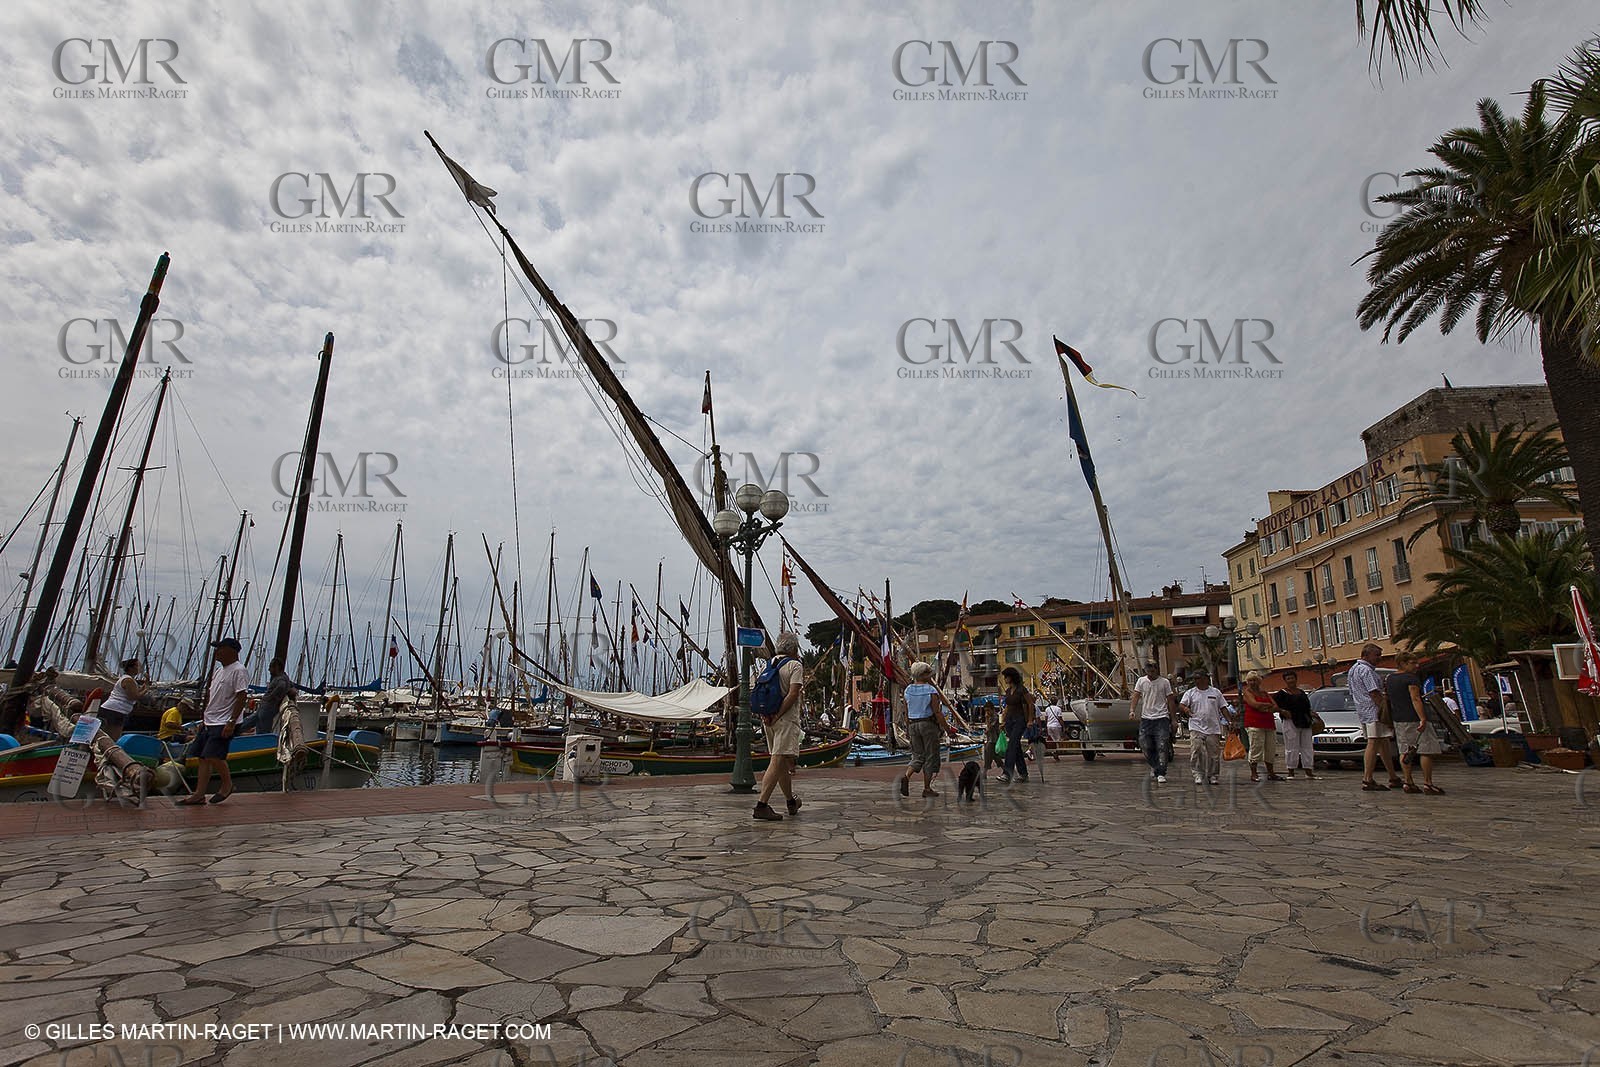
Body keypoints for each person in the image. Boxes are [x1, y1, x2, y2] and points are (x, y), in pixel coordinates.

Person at [178, 638, 249, 806]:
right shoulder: (219, 671)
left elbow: (241, 696)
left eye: (220, 648)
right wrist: (204, 718)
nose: (216, 652)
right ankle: (199, 794)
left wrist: (232, 721)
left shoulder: (239, 670)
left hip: (224, 721)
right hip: (210, 720)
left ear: (231, 650)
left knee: (213, 755)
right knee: (203, 757)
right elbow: (213, 696)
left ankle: (227, 785)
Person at [754, 632, 805, 821]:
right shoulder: (795, 665)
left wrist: (766, 715)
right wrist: (778, 714)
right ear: (794, 648)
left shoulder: (769, 664)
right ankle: (761, 805)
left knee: (781, 762)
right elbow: (793, 694)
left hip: (768, 720)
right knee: (776, 761)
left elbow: (758, 691)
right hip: (785, 720)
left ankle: (791, 801)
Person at [1386, 653, 1445, 795]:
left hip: (1399, 718)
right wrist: (1423, 718)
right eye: (1413, 663)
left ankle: (1408, 781)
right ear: (1403, 663)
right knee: (1426, 749)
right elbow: (1415, 698)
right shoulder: (1411, 678)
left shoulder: (1390, 679)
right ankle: (1428, 783)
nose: (1416, 666)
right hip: (1413, 717)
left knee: (1404, 750)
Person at [1350, 643, 1399, 791]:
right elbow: (1374, 692)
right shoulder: (1366, 671)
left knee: (1383, 742)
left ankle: (1393, 776)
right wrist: (1385, 711)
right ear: (1366, 655)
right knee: (1374, 742)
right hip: (1374, 711)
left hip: (1363, 711)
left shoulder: (1353, 669)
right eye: (1377, 655)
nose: (1379, 658)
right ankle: (1367, 778)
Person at [898, 661, 950, 798]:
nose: (930, 675)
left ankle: (906, 776)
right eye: (928, 673)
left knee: (917, 755)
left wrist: (908, 729)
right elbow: (937, 712)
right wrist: (948, 729)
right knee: (930, 757)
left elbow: (906, 712)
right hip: (928, 724)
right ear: (923, 675)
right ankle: (927, 788)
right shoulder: (931, 690)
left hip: (913, 724)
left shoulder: (908, 690)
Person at [1180, 671, 1233, 786]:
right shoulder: (1190, 693)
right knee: (1197, 749)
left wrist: (1229, 721)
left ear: (1206, 678)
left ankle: (1213, 775)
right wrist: (1186, 709)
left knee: (1213, 753)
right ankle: (1198, 774)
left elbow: (1223, 707)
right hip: (1196, 726)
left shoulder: (1216, 692)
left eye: (1198, 678)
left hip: (1213, 727)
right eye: (1195, 679)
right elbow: (1182, 704)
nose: (1196, 681)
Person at [1130, 663, 1178, 783]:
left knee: (1162, 745)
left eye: (1152, 671)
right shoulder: (1141, 681)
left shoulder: (1164, 682)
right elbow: (1136, 696)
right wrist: (1132, 710)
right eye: (1148, 671)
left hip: (1161, 717)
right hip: (1146, 718)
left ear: (1156, 670)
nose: (1150, 673)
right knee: (1145, 744)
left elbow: (1170, 700)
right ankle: (1155, 765)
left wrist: (1173, 719)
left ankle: (1161, 772)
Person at [1273, 671, 1318, 780]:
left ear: (1296, 679)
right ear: (1285, 680)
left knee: (1307, 746)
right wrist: (1282, 711)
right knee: (1291, 746)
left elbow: (1307, 707)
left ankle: (1308, 771)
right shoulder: (1281, 694)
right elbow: (1273, 706)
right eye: (1288, 678)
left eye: (1292, 678)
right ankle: (1291, 771)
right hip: (1290, 721)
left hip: (1304, 721)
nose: (1291, 680)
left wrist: (1311, 713)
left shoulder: (1301, 692)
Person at [1240, 673, 1285, 783]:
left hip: (1268, 723)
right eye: (1250, 680)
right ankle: (1254, 773)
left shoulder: (1264, 693)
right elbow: (1254, 704)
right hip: (1254, 723)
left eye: (1255, 680)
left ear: (1259, 681)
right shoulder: (1247, 692)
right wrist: (1267, 706)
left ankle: (1271, 772)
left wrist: (1264, 707)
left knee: (1270, 749)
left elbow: (1275, 706)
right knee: (1256, 747)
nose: (1253, 683)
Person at [241, 657, 297, 734]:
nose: (269, 670)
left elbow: (281, 686)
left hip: (268, 709)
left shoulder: (280, 679)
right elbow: (291, 687)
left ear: (277, 667)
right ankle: (233, 731)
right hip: (264, 708)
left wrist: (270, 697)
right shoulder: (284, 678)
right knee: (248, 722)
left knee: (262, 731)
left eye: (271, 667)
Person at [97, 657, 148, 740]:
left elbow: (136, 692)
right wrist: (146, 690)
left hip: (113, 709)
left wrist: (146, 683)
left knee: (106, 734)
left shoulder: (127, 679)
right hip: (116, 710)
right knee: (113, 737)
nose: (139, 668)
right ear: (131, 668)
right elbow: (133, 697)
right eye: (137, 666)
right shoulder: (128, 680)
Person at [997, 667, 1030, 783]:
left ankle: (1007, 773)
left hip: (1020, 720)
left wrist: (1030, 720)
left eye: (1006, 676)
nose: (1004, 679)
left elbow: (1030, 704)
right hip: (1010, 721)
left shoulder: (1022, 690)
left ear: (1011, 677)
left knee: (1011, 746)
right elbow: (1007, 707)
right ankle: (1023, 773)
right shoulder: (1008, 691)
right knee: (1016, 747)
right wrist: (1003, 721)